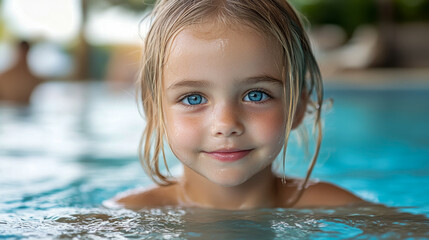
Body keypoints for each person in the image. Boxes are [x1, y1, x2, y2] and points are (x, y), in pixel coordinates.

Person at [112, 0, 364, 210]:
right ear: (155, 111)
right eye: (193, 98)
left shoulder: (336, 209)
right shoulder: (128, 215)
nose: (226, 124)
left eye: (256, 95)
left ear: (298, 106)